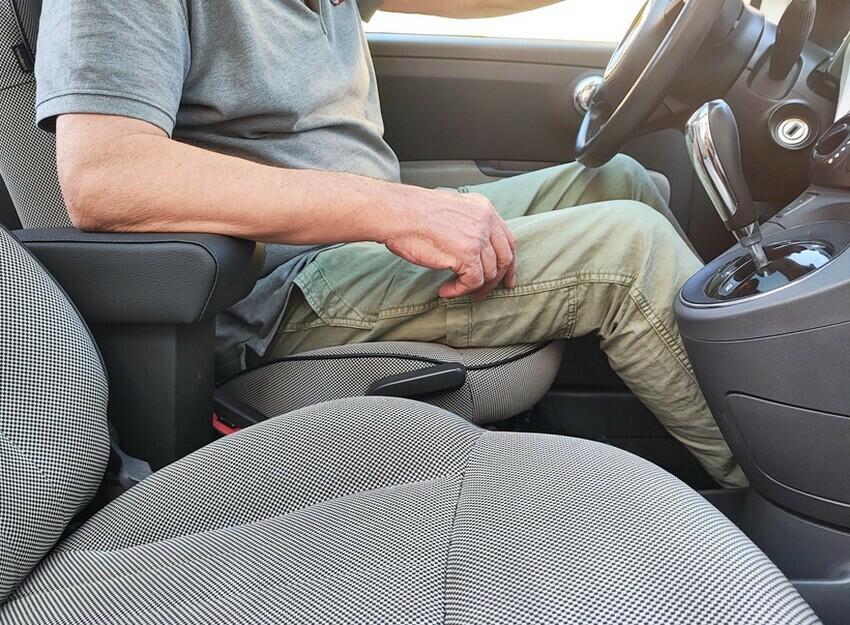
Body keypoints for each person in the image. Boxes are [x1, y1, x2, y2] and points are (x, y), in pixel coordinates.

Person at [36, 0, 745, 487]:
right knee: (629, 251)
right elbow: (105, 177)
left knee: (618, 184)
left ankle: (700, 446)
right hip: (273, 288)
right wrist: (392, 210)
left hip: (356, 243)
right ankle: (787, 492)